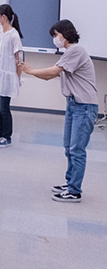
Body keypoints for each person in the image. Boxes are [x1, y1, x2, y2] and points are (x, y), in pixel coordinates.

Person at [20, 20, 98, 203]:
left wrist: (31, 71)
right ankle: (70, 182)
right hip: (74, 104)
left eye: (55, 35)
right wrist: (31, 72)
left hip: (84, 106)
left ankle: (74, 190)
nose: (55, 39)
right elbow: (49, 77)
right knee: (68, 148)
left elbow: (53, 72)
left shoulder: (76, 51)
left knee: (76, 150)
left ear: (64, 33)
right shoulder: (68, 54)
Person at [0, 4, 24, 148]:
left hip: (7, 76)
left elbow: (18, 57)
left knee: (4, 108)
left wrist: (18, 76)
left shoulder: (13, 35)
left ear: (4, 17)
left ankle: (6, 136)